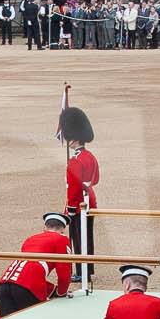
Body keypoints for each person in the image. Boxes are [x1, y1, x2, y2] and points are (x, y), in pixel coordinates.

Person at [0, 212, 74, 316]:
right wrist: (61, 292)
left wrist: (52, 290)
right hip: (27, 285)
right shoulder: (62, 239)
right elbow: (64, 272)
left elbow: (28, 270)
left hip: (5, 282)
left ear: (45, 227)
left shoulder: (31, 238)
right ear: (63, 229)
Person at [60, 102, 100, 273]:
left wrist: (70, 209)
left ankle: (81, 271)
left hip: (78, 204)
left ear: (74, 138)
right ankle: (88, 269)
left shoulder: (75, 160)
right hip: (90, 199)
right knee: (87, 237)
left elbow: (73, 189)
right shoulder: (89, 156)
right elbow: (95, 179)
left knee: (78, 238)